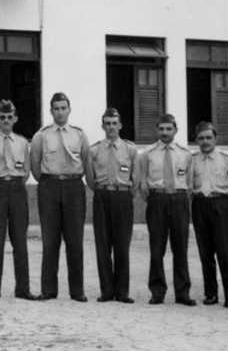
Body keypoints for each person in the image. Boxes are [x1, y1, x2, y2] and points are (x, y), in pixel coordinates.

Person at [29, 93, 89, 302]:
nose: (60, 112)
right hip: (49, 186)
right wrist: (48, 181)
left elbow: (85, 162)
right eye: (56, 108)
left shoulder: (79, 135)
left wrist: (71, 179)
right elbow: (35, 166)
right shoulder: (41, 136)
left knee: (75, 241)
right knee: (50, 240)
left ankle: (77, 291)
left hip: (73, 186)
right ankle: (48, 290)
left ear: (69, 109)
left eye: (63, 108)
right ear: (51, 111)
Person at [0, 99, 36, 301]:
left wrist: (14, 183)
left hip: (17, 190)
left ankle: (23, 288)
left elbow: (27, 170)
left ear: (15, 119)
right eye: (2, 117)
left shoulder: (22, 142)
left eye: (9, 117)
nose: (5, 120)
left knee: (20, 241)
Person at [137, 113, 195, 306]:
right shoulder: (147, 154)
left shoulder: (185, 154)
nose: (165, 132)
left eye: (168, 129)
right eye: (161, 129)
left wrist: (178, 196)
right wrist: (157, 197)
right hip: (157, 200)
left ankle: (182, 292)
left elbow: (189, 182)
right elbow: (143, 184)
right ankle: (157, 291)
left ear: (175, 130)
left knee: (180, 248)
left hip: (179, 199)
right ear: (157, 130)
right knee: (156, 248)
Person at [83, 107, 137, 304]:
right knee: (103, 245)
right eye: (108, 123)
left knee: (122, 245)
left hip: (122, 197)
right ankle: (106, 290)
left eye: (114, 123)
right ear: (102, 126)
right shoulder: (94, 150)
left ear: (120, 125)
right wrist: (101, 189)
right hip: (102, 196)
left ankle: (122, 292)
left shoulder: (130, 149)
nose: (111, 127)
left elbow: (136, 179)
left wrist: (124, 192)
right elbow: (89, 177)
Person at [187, 121, 228, 308]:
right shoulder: (191, 161)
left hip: (221, 205)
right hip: (200, 205)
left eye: (209, 137)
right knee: (206, 252)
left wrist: (223, 202)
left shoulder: (227, 160)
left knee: (225, 251)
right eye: (201, 138)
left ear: (215, 139)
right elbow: (188, 185)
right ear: (196, 140)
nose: (205, 141)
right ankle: (211, 294)